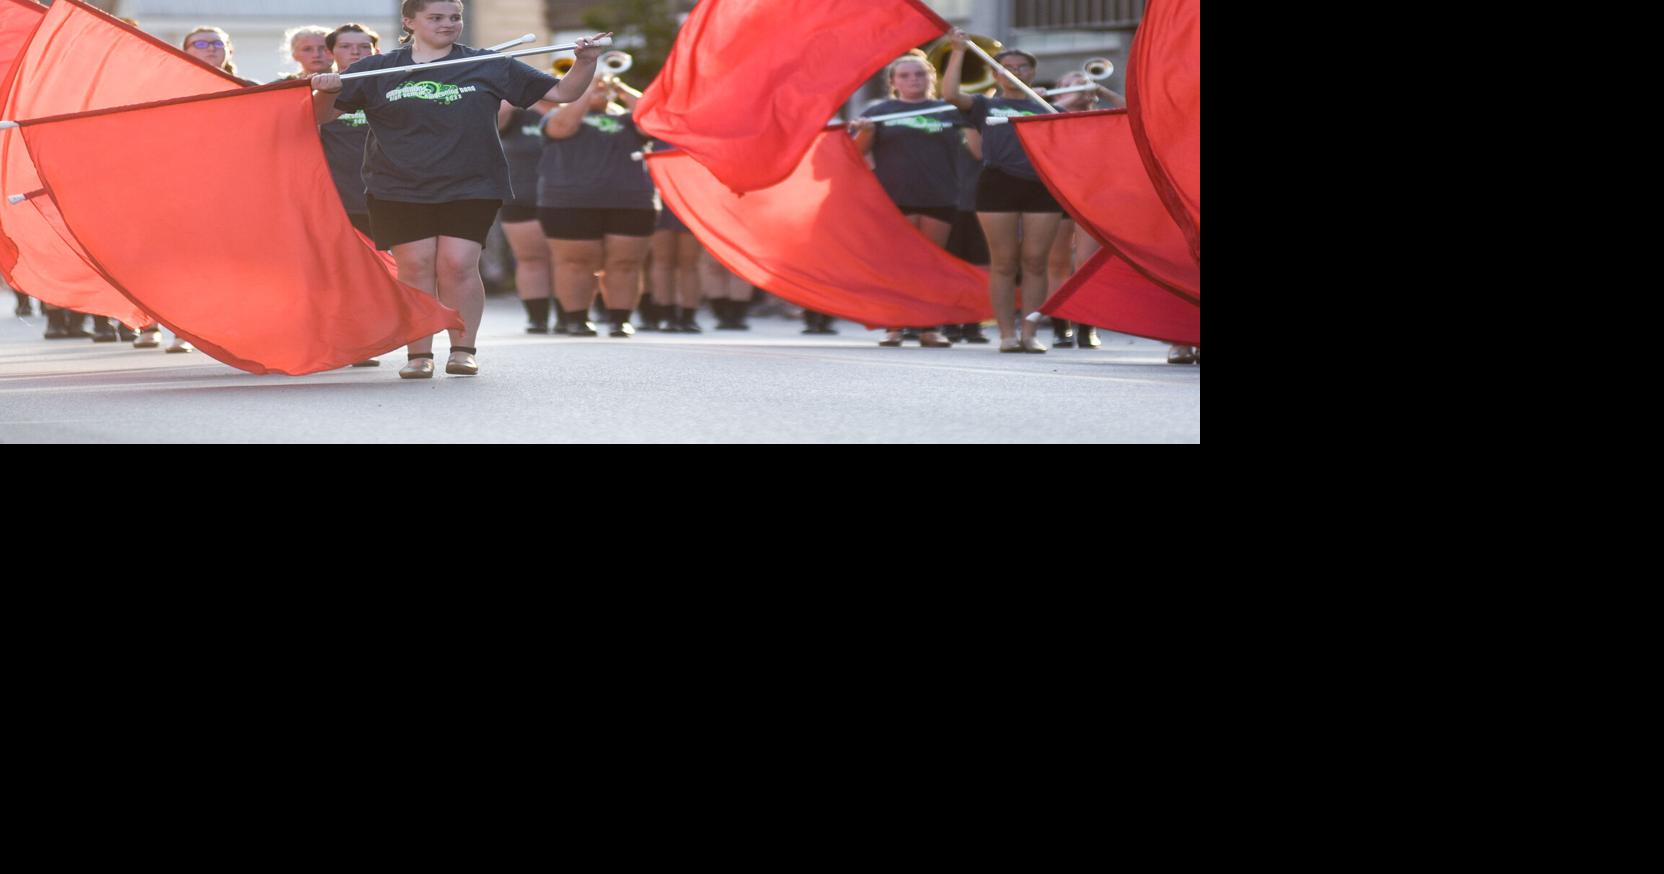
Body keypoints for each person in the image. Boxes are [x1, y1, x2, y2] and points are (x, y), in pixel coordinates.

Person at [311, 0, 608, 377]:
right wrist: (326, 91)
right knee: (416, 266)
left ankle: (462, 348)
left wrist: (585, 62)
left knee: (457, 265)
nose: (448, 24)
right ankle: (418, 354)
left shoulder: (487, 63)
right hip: (397, 185)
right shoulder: (377, 69)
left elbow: (563, 94)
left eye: (454, 17)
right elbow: (320, 118)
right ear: (409, 21)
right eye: (435, 17)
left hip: (472, 182)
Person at [941, 29, 1064, 354]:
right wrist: (958, 51)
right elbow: (951, 94)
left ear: (1032, 72)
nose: (1015, 72)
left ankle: (1030, 332)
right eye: (1007, 67)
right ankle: (1007, 334)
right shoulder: (984, 105)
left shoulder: (1047, 107)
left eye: (1022, 67)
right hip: (998, 185)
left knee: (1036, 262)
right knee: (1004, 263)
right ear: (996, 73)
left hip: (1041, 187)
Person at [848, 50, 958, 349]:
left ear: (930, 78)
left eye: (920, 74)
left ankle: (928, 327)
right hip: (894, 196)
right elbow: (856, 154)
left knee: (932, 264)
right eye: (905, 75)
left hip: (940, 195)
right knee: (897, 263)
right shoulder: (879, 111)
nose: (913, 80)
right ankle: (894, 326)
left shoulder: (948, 110)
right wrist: (866, 132)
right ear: (894, 81)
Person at [538, 75, 653, 338]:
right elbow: (563, 127)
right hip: (569, 201)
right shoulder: (556, 116)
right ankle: (577, 319)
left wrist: (621, 87)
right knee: (575, 263)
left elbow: (652, 120)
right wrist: (587, 90)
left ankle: (619, 319)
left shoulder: (627, 118)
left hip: (631, 200)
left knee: (625, 263)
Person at [1041, 70, 1125, 349]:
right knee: (1057, 263)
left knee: (1086, 264)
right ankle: (1060, 325)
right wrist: (1073, 94)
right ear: (1058, 90)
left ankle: (1087, 325)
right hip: (1057, 192)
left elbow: (1132, 111)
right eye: (1068, 83)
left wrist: (1100, 91)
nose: (1078, 86)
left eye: (1083, 82)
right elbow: (1049, 116)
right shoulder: (1049, 108)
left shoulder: (1102, 113)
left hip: (1093, 194)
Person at [499, 93, 556, 333]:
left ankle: (571, 316)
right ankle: (537, 317)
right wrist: (525, 93)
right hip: (522, 194)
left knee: (566, 260)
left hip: (566, 197)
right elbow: (496, 116)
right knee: (532, 259)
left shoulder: (576, 111)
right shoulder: (517, 114)